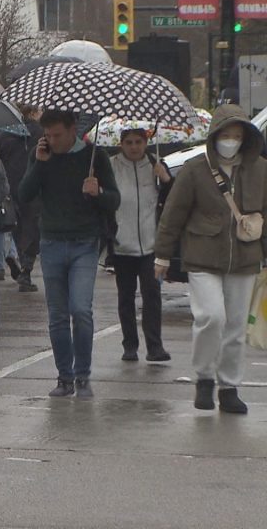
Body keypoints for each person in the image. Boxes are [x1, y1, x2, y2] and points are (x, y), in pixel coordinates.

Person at [155, 105, 267, 414]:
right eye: (226, 135)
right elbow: (173, 215)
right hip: (202, 255)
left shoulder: (261, 169)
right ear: (215, 136)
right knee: (211, 317)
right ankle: (204, 377)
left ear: (246, 138)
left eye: (237, 135)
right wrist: (163, 255)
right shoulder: (194, 169)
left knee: (235, 326)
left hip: (245, 257)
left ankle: (229, 386)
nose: (231, 140)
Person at [19, 110, 120, 398]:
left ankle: (82, 375)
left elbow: (114, 200)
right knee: (58, 315)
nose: (52, 141)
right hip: (51, 242)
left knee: (80, 309)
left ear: (73, 129)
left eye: (58, 135)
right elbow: (24, 194)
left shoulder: (94, 157)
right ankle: (64, 376)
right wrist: (39, 165)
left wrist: (98, 192)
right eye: (48, 135)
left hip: (84, 242)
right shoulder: (42, 155)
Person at [109, 128, 172, 363]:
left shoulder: (156, 164)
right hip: (121, 244)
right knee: (126, 297)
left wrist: (165, 179)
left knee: (152, 295)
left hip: (150, 244)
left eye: (138, 142)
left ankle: (155, 346)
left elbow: (172, 198)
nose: (134, 147)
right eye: (128, 142)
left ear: (146, 142)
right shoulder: (111, 165)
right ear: (121, 144)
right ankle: (130, 345)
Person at [0, 103, 43, 292]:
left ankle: (18, 259)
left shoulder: (5, 133)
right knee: (33, 228)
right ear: (31, 112)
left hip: (11, 185)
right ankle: (26, 269)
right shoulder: (40, 132)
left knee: (17, 225)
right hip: (33, 186)